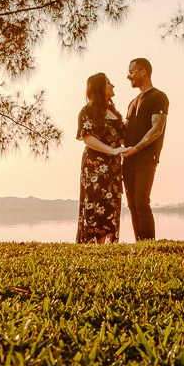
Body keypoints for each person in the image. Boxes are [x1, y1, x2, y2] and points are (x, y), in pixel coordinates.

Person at [76, 72, 126, 244]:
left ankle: (108, 244)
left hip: (113, 166)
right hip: (94, 166)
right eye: (108, 83)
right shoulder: (87, 111)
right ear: (99, 88)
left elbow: (121, 137)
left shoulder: (114, 112)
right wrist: (111, 151)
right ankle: (93, 243)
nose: (112, 86)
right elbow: (87, 138)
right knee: (95, 203)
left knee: (111, 203)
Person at [122, 57, 168, 241]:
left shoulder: (159, 97)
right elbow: (124, 130)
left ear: (144, 71)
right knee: (132, 205)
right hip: (128, 158)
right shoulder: (132, 102)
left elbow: (157, 129)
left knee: (141, 201)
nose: (128, 76)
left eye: (131, 71)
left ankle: (149, 243)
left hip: (146, 158)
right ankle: (140, 243)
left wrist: (137, 148)